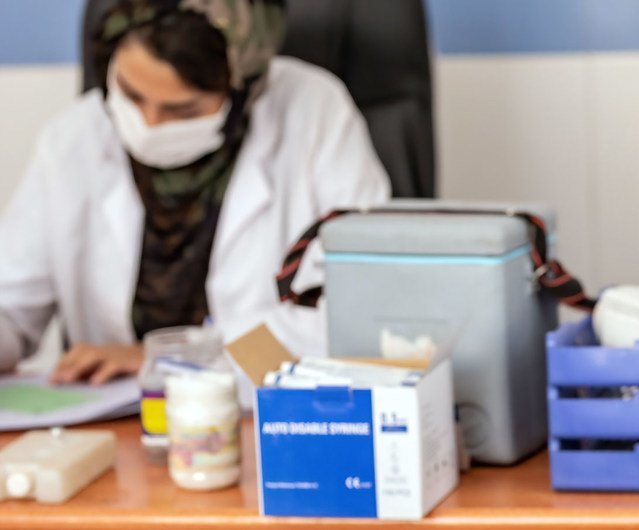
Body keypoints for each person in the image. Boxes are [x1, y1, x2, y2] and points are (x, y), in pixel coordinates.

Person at [0, 0, 388, 383]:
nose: (149, 124)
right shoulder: (72, 139)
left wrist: (169, 358)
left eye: (182, 111)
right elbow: (12, 308)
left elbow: (357, 311)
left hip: (259, 415)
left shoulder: (314, 115)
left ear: (241, 89)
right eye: (131, 95)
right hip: (119, 424)